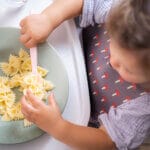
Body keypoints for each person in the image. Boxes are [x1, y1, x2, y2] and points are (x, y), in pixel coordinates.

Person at [20, 0, 150, 149]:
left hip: (82, 123)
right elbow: (87, 2)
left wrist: (58, 127)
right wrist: (49, 18)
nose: (112, 62)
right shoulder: (129, 14)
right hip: (74, 47)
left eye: (127, 69)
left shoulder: (144, 109)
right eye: (113, 42)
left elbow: (106, 141)